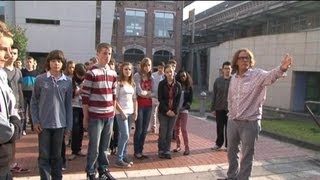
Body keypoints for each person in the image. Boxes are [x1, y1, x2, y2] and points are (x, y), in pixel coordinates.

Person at [226, 48, 292, 180]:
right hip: (233, 121)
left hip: (250, 122)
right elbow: (231, 98)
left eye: (247, 58)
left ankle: (243, 178)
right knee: (231, 151)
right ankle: (231, 176)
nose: (245, 60)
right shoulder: (233, 78)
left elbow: (271, 75)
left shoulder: (257, 75)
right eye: (242, 58)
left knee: (247, 154)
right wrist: (230, 113)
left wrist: (282, 68)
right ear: (236, 61)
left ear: (251, 61)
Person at [30, 50, 73, 180]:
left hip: (60, 124)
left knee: (57, 156)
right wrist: (35, 121)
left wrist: (69, 127)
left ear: (63, 63)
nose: (56, 64)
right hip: (43, 125)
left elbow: (68, 105)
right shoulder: (40, 79)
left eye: (59, 61)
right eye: (53, 61)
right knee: (44, 156)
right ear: (49, 62)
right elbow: (34, 101)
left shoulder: (68, 82)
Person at [81, 43, 117, 180]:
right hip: (95, 115)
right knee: (94, 146)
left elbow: (114, 94)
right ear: (97, 54)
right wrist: (86, 116)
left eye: (109, 53)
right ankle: (91, 171)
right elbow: (85, 97)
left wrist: (113, 111)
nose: (107, 56)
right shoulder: (91, 73)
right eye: (104, 53)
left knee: (105, 146)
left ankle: (103, 170)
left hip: (109, 115)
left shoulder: (113, 73)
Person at [0, 20, 22, 180]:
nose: (8, 55)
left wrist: (14, 118)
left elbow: (11, 103)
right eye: (2, 49)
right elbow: (3, 130)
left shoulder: (1, 75)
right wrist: (14, 128)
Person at [4, 45, 29, 174]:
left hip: (15, 108)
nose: (12, 55)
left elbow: (20, 90)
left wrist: (21, 106)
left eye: (15, 53)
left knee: (14, 137)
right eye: (11, 52)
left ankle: (12, 162)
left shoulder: (18, 71)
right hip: (3, 109)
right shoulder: (2, 70)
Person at [115, 62, 137, 168]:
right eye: (125, 69)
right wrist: (122, 112)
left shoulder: (132, 83)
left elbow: (134, 99)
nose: (128, 71)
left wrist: (135, 112)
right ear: (122, 70)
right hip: (121, 113)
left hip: (130, 112)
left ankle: (124, 156)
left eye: (129, 69)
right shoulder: (119, 83)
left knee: (125, 136)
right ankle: (118, 158)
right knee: (125, 135)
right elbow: (114, 100)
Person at [157, 64, 181, 159]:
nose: (169, 74)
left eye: (170, 72)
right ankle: (161, 150)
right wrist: (167, 110)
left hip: (174, 112)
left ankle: (167, 150)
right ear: (165, 73)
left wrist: (174, 111)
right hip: (163, 112)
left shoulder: (178, 85)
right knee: (163, 132)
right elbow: (160, 99)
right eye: (167, 72)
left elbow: (178, 100)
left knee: (169, 132)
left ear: (173, 72)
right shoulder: (161, 84)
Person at [133, 57, 155, 159]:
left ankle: (141, 151)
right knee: (139, 129)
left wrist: (146, 94)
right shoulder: (137, 76)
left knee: (145, 129)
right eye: (145, 65)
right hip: (139, 105)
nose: (147, 67)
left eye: (149, 65)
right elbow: (139, 92)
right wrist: (148, 94)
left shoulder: (152, 78)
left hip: (149, 106)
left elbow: (155, 92)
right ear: (142, 66)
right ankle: (136, 151)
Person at [211, 61, 232, 151]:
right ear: (222, 70)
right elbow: (214, 95)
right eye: (225, 68)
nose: (227, 70)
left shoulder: (234, 80)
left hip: (230, 109)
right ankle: (218, 144)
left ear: (231, 70)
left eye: (229, 68)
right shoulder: (218, 81)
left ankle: (228, 145)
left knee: (229, 128)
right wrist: (213, 108)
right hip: (219, 107)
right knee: (219, 127)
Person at [68, 63, 86, 161]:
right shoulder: (71, 81)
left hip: (83, 106)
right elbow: (69, 95)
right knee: (75, 129)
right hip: (74, 106)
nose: (81, 77)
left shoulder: (86, 80)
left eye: (83, 75)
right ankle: (74, 151)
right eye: (80, 75)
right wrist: (79, 91)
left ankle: (78, 149)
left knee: (81, 129)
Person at [173, 70, 193, 156]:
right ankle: (178, 145)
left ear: (187, 76)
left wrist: (185, 107)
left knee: (183, 129)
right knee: (176, 128)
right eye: (181, 76)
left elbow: (190, 100)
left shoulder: (189, 87)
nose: (183, 77)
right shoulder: (176, 86)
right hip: (176, 110)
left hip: (184, 110)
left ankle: (187, 147)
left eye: (184, 76)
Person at [21, 56, 38, 135]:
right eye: (27, 62)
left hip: (32, 94)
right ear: (25, 63)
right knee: (23, 112)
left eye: (30, 62)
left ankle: (33, 126)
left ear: (33, 63)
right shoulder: (22, 72)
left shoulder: (36, 73)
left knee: (32, 111)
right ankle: (23, 128)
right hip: (23, 94)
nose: (29, 63)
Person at [148, 61, 165, 133]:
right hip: (154, 96)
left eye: (161, 68)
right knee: (153, 113)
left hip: (162, 98)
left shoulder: (165, 76)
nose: (160, 69)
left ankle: (161, 127)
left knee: (160, 114)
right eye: (159, 68)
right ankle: (153, 127)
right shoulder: (153, 75)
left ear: (163, 68)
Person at [108, 58, 119, 155]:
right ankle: (109, 146)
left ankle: (115, 146)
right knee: (108, 130)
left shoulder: (117, 78)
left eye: (112, 65)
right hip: (107, 107)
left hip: (116, 107)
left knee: (116, 128)